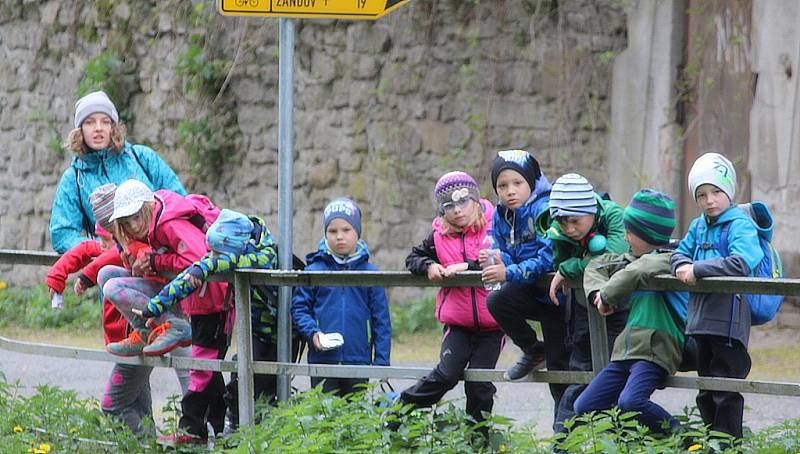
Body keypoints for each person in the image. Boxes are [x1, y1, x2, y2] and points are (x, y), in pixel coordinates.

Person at [136, 208, 294, 430]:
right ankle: (237, 431)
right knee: (240, 379)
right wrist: (153, 307)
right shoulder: (234, 250)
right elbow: (190, 276)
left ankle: (259, 435)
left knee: (266, 388)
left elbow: (221, 263)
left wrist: (206, 267)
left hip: (283, 334)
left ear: (235, 246)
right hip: (256, 333)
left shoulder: (263, 255)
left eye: (218, 254)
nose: (213, 257)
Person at [107, 179, 228, 445]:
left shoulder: (166, 222)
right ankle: (215, 434)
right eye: (126, 222)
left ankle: (209, 433)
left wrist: (156, 261)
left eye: (136, 217)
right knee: (205, 368)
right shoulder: (157, 217)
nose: (133, 226)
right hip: (195, 299)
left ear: (147, 207)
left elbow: (198, 259)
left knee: (203, 369)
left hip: (211, 299)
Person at [574, 189, 685, 433]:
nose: (625, 238)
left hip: (656, 347)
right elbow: (597, 264)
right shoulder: (633, 258)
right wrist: (596, 295)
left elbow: (638, 270)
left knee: (631, 402)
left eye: (630, 232)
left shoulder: (671, 259)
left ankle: (687, 441)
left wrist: (607, 295)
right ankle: (638, 443)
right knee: (584, 405)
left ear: (648, 235)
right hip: (626, 349)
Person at [397, 171, 502, 427]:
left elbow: (494, 259)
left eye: (463, 202)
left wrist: (464, 267)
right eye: (449, 206)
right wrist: (429, 265)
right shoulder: (438, 236)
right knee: (446, 374)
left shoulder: (496, 226)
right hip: (458, 323)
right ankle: (397, 412)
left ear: (476, 201)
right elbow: (413, 258)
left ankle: (477, 438)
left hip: (493, 324)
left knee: (479, 385)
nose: (457, 210)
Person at [85, 183, 191, 436]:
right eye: (120, 225)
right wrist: (83, 275)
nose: (130, 228)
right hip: (138, 336)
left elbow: (192, 255)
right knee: (123, 404)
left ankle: (203, 441)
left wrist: (154, 259)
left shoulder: (156, 234)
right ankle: (147, 445)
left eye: (112, 230)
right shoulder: (125, 248)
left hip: (175, 315)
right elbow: (92, 254)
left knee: (195, 392)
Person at [671, 152, 763, 439]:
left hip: (727, 324)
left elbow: (742, 261)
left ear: (729, 192)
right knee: (706, 391)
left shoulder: (740, 224)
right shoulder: (699, 226)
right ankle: (712, 441)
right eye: (702, 195)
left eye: (716, 192)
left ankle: (728, 444)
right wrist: (680, 266)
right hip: (700, 320)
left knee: (725, 391)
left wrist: (697, 269)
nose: (710, 200)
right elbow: (678, 254)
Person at [481, 150, 569, 427]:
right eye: (502, 186)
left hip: (558, 298)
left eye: (517, 183)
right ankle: (533, 348)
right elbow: (507, 251)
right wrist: (497, 259)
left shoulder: (545, 209)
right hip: (529, 290)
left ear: (531, 181)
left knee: (561, 373)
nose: (510, 191)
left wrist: (508, 270)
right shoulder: (501, 214)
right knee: (497, 301)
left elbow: (548, 258)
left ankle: (564, 438)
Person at [542, 172, 629, 431]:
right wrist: (568, 264)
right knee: (580, 373)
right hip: (581, 310)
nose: (569, 229)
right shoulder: (560, 230)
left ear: (591, 211)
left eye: (575, 221)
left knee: (618, 377)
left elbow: (616, 255)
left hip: (620, 309)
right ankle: (563, 443)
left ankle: (620, 440)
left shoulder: (614, 215)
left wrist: (573, 267)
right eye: (562, 221)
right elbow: (558, 261)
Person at [50, 90, 185, 254]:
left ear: (113, 127)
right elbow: (62, 234)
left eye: (105, 122)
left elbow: (180, 201)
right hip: (112, 266)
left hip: (162, 256)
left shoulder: (141, 157)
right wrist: (103, 248)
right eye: (90, 122)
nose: (98, 128)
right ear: (80, 130)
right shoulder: (74, 178)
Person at [291, 197, 392, 397]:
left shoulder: (371, 274)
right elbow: (299, 309)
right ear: (325, 233)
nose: (339, 236)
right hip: (322, 360)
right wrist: (313, 333)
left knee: (355, 418)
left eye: (346, 230)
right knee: (325, 416)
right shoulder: (313, 271)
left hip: (358, 360)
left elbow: (381, 321)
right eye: (332, 231)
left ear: (357, 232)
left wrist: (382, 362)